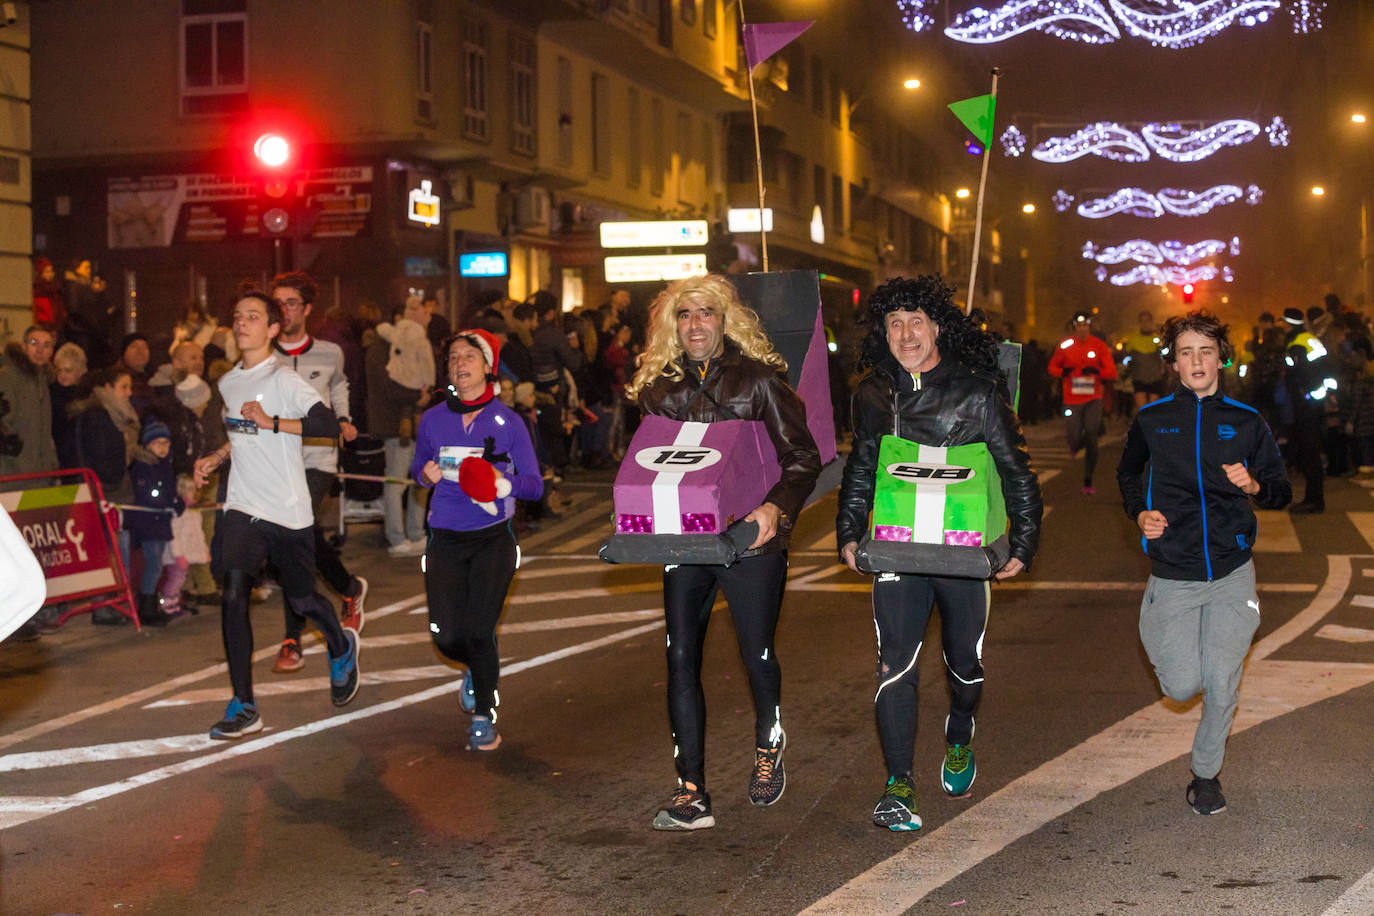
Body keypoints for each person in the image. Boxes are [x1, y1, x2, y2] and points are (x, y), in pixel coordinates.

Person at [836, 275, 1042, 832]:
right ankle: (898, 785)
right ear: (884, 333)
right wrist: (850, 532)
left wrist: (1022, 542)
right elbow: (861, 468)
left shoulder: (977, 391)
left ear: (938, 327)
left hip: (963, 553)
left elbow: (1015, 468)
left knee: (964, 665)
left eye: (916, 322)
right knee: (894, 666)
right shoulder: (873, 393)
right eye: (894, 324)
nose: (906, 334)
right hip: (899, 551)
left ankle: (959, 731)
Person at [626, 274, 822, 831]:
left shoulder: (760, 382)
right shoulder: (658, 389)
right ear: (672, 323)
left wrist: (774, 511)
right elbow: (646, 464)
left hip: (749, 541)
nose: (695, 324)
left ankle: (769, 740)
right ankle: (691, 789)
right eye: (684, 314)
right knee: (680, 658)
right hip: (685, 541)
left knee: (756, 652)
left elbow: (803, 457)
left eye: (705, 313)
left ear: (724, 319)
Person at [1117, 310, 1291, 815]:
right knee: (1181, 685)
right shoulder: (1151, 420)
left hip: (1233, 573)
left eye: (1206, 351)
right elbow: (1127, 473)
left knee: (1221, 682)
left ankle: (1207, 775)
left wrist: (1255, 485)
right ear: (1173, 363)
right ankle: (1157, 621)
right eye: (1186, 352)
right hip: (1172, 572)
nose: (1196, 361)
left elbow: (1282, 491)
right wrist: (1140, 513)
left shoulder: (1245, 421)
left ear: (1222, 358)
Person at [192, 291, 360, 740]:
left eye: (253, 317)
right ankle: (244, 704)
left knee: (303, 602)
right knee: (232, 594)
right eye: (237, 316)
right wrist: (216, 458)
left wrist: (274, 422)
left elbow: (326, 425)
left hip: (287, 509)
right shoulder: (228, 382)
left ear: (272, 329)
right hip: (244, 505)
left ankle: (341, 646)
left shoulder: (284, 379)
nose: (242, 323)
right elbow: (242, 433)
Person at [412, 329, 542, 750]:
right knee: (446, 636)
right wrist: (423, 475)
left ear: (487, 366)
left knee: (480, 629)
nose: (460, 363)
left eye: (469, 356)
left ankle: (484, 713)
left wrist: (505, 485)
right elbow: (418, 468)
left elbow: (535, 486)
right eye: (453, 357)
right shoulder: (433, 419)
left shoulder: (509, 421)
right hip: (445, 537)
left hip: (492, 539)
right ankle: (473, 666)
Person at [269, 272, 368, 674]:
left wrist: (342, 418)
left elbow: (340, 385)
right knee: (296, 537)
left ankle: (293, 638)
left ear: (307, 308)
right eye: (278, 303)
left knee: (295, 533)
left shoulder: (330, 352)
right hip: (276, 458)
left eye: (292, 302)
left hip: (318, 457)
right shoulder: (262, 355)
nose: (285, 310)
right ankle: (348, 587)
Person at [365, 304, 430, 556]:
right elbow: (388, 387)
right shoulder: (379, 348)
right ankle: (396, 537)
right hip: (394, 425)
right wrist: (417, 395)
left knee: (420, 480)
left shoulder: (414, 345)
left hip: (415, 422)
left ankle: (417, 533)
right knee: (396, 481)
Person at [1048, 312, 1117, 494]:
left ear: (1090, 327)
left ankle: (1088, 478)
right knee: (1073, 436)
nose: (1082, 329)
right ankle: (1075, 445)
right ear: (1074, 327)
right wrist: (1063, 371)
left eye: (1085, 325)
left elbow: (1111, 371)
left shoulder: (1099, 345)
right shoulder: (1066, 345)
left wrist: (1096, 371)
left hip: (1093, 398)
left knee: (1092, 433)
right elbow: (1052, 367)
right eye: (1079, 326)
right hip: (1071, 399)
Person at [126, 419, 183, 627]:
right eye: (158, 443)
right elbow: (148, 494)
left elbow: (168, 492)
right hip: (148, 522)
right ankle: (146, 608)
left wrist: (177, 503)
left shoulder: (165, 466)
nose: (163, 447)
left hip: (160, 521)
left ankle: (150, 605)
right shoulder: (143, 466)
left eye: (166, 443)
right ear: (148, 444)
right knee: (154, 564)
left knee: (156, 565)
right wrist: (168, 502)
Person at [1282, 306, 1327, 514]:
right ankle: (1314, 498)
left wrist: (1303, 396)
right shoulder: (1310, 338)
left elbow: (1298, 374)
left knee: (1309, 452)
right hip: (1314, 401)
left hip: (1305, 404)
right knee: (1312, 451)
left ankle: (1314, 500)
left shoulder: (1297, 344)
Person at [0, 325, 59, 476]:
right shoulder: (8, 376)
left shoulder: (43, 379)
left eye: (46, 345)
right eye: (34, 343)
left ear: (52, 351)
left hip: (40, 472)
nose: (40, 351)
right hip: (12, 473)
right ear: (24, 346)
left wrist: (51, 464)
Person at [1120, 310, 1167, 414]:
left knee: (1153, 408)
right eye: (1143, 321)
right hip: (1139, 377)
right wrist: (1127, 361)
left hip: (1155, 377)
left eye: (1147, 321)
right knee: (1142, 409)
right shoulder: (1133, 338)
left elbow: (1165, 354)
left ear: (1151, 322)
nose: (1145, 324)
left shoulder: (1157, 338)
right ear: (1140, 323)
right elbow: (1125, 356)